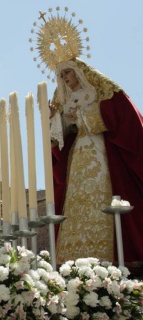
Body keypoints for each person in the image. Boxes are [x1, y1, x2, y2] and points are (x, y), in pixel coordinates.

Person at [50, 57, 143, 267]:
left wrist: (82, 116)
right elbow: (62, 135)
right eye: (61, 75)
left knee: (102, 196)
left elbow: (117, 112)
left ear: (79, 71)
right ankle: (74, 260)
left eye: (67, 72)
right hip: (78, 156)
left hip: (99, 153)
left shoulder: (98, 92)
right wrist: (55, 121)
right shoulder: (65, 99)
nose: (65, 78)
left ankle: (110, 257)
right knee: (76, 200)